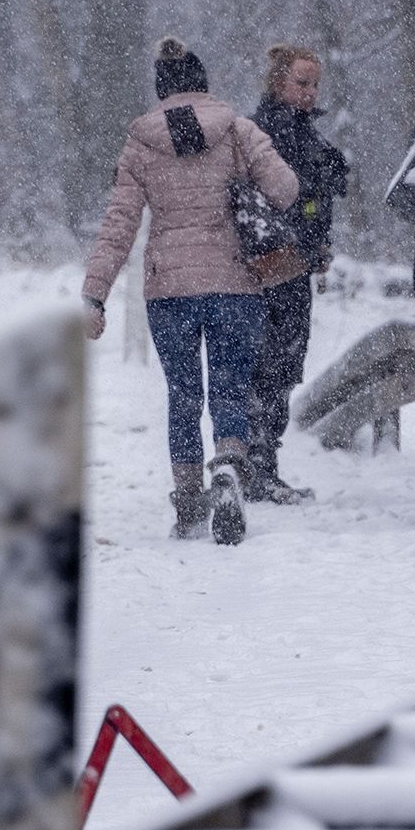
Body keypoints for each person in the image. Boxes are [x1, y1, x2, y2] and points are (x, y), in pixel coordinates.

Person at [82, 38, 299, 539]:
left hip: (169, 291)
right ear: (203, 84)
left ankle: (186, 502)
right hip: (233, 283)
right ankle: (228, 466)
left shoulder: (140, 143)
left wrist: (94, 295)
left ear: (161, 91)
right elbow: (285, 190)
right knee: (228, 385)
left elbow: (119, 226)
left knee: (183, 395)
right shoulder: (239, 130)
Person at [244, 44, 351, 505]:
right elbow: (273, 203)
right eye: (301, 83)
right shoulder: (263, 133)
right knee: (267, 367)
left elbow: (315, 196)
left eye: (314, 85)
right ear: (278, 84)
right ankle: (255, 467)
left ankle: (258, 465)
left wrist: (317, 239)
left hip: (294, 265)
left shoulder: (302, 132)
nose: (309, 93)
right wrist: (306, 236)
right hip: (269, 268)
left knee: (281, 367)